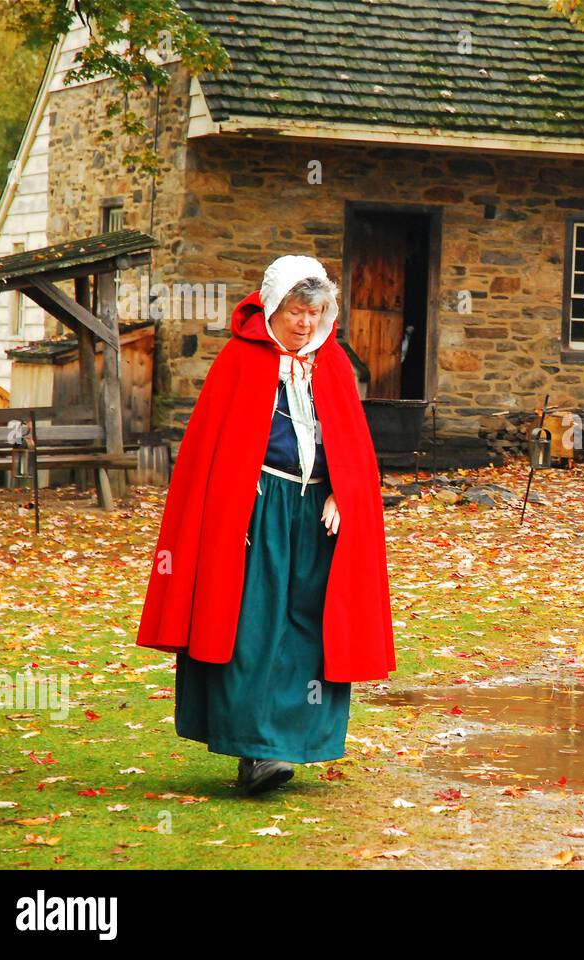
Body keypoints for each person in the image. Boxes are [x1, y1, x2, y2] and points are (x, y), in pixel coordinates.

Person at [135, 256, 395, 795]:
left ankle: (290, 742)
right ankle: (253, 751)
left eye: (315, 311)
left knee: (308, 628)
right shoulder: (240, 361)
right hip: (255, 511)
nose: (305, 322)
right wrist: (240, 501)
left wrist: (342, 495)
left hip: (316, 513)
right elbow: (215, 451)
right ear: (274, 307)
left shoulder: (333, 365)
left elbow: (349, 444)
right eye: (297, 311)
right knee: (252, 625)